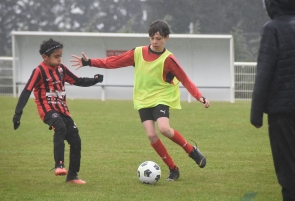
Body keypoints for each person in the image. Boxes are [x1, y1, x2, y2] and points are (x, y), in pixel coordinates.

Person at [70, 20, 210, 181]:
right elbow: (114, 61)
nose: (155, 42)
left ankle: (192, 151)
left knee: (164, 129)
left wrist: (200, 96)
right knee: (152, 136)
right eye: (152, 38)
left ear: (167, 38)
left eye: (158, 38)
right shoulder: (137, 53)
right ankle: (173, 169)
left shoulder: (169, 59)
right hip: (143, 99)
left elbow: (185, 79)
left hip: (161, 97)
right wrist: (90, 62)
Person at [12, 38, 104, 184]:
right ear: (45, 57)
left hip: (63, 110)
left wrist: (94, 79)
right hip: (47, 110)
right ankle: (59, 165)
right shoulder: (39, 71)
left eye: (61, 56)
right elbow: (26, 91)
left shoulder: (62, 69)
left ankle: (72, 176)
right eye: (56, 56)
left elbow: (77, 81)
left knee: (76, 140)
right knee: (59, 127)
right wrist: (18, 113)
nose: (60, 59)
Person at [251, 0, 295, 200]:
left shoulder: (272, 29)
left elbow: (265, 71)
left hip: (282, 111)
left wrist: (256, 113)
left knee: (287, 165)